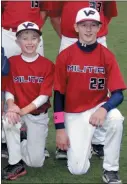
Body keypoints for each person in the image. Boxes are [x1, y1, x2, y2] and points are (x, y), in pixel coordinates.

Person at [53, 7, 126, 184]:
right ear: (76, 27)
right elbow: (58, 95)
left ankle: (111, 170)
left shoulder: (106, 56)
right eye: (84, 25)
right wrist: (60, 129)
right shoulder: (65, 56)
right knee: (78, 169)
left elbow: (118, 94)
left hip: (97, 109)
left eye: (93, 25)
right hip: (74, 112)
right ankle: (85, 144)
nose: (88, 29)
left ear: (99, 28)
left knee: (116, 119)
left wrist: (104, 108)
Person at [2, 21, 54, 180]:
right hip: (17, 111)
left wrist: (21, 110)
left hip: (37, 114)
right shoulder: (12, 62)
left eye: (34, 38)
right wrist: (11, 107)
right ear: (17, 42)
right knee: (8, 121)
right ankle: (15, 163)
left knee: (36, 162)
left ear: (39, 41)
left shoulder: (48, 65)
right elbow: (9, 89)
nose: (29, 42)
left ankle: (23, 140)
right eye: (25, 38)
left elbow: (44, 96)